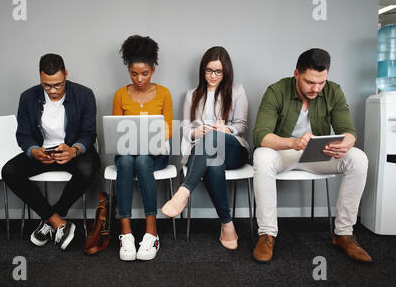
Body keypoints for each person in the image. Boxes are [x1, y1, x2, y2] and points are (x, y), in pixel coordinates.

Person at [252, 48, 371, 263]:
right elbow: (260, 135)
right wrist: (293, 143)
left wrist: (345, 143)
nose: (316, 88)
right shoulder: (276, 90)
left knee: (358, 158)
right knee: (262, 156)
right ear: (296, 74)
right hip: (284, 153)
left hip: (318, 155)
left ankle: (343, 234)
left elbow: (349, 132)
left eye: (321, 82)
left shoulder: (334, 91)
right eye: (309, 82)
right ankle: (267, 234)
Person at [2, 53, 100, 250]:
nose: (53, 90)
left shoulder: (84, 95)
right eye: (47, 85)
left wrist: (74, 150)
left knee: (90, 168)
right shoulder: (28, 97)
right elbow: (23, 135)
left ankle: (50, 220)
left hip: (71, 151)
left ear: (66, 75)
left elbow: (89, 134)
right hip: (43, 152)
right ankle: (58, 223)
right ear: (40, 77)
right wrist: (34, 151)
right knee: (9, 171)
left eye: (58, 84)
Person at [161, 46, 250, 250]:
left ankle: (183, 192)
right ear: (203, 70)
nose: (213, 75)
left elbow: (242, 126)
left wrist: (223, 129)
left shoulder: (237, 91)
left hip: (233, 150)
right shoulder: (192, 94)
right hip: (205, 151)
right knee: (212, 161)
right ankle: (227, 224)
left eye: (218, 71)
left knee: (213, 139)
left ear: (225, 71)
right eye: (209, 70)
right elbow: (185, 125)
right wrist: (195, 133)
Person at [113, 35, 173, 261]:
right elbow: (115, 129)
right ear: (129, 70)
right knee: (129, 160)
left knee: (142, 160)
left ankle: (151, 232)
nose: (139, 78)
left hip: (154, 153)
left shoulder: (164, 93)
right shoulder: (120, 94)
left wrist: (149, 139)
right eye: (134, 73)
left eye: (145, 73)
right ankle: (126, 233)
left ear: (153, 70)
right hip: (127, 152)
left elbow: (168, 129)